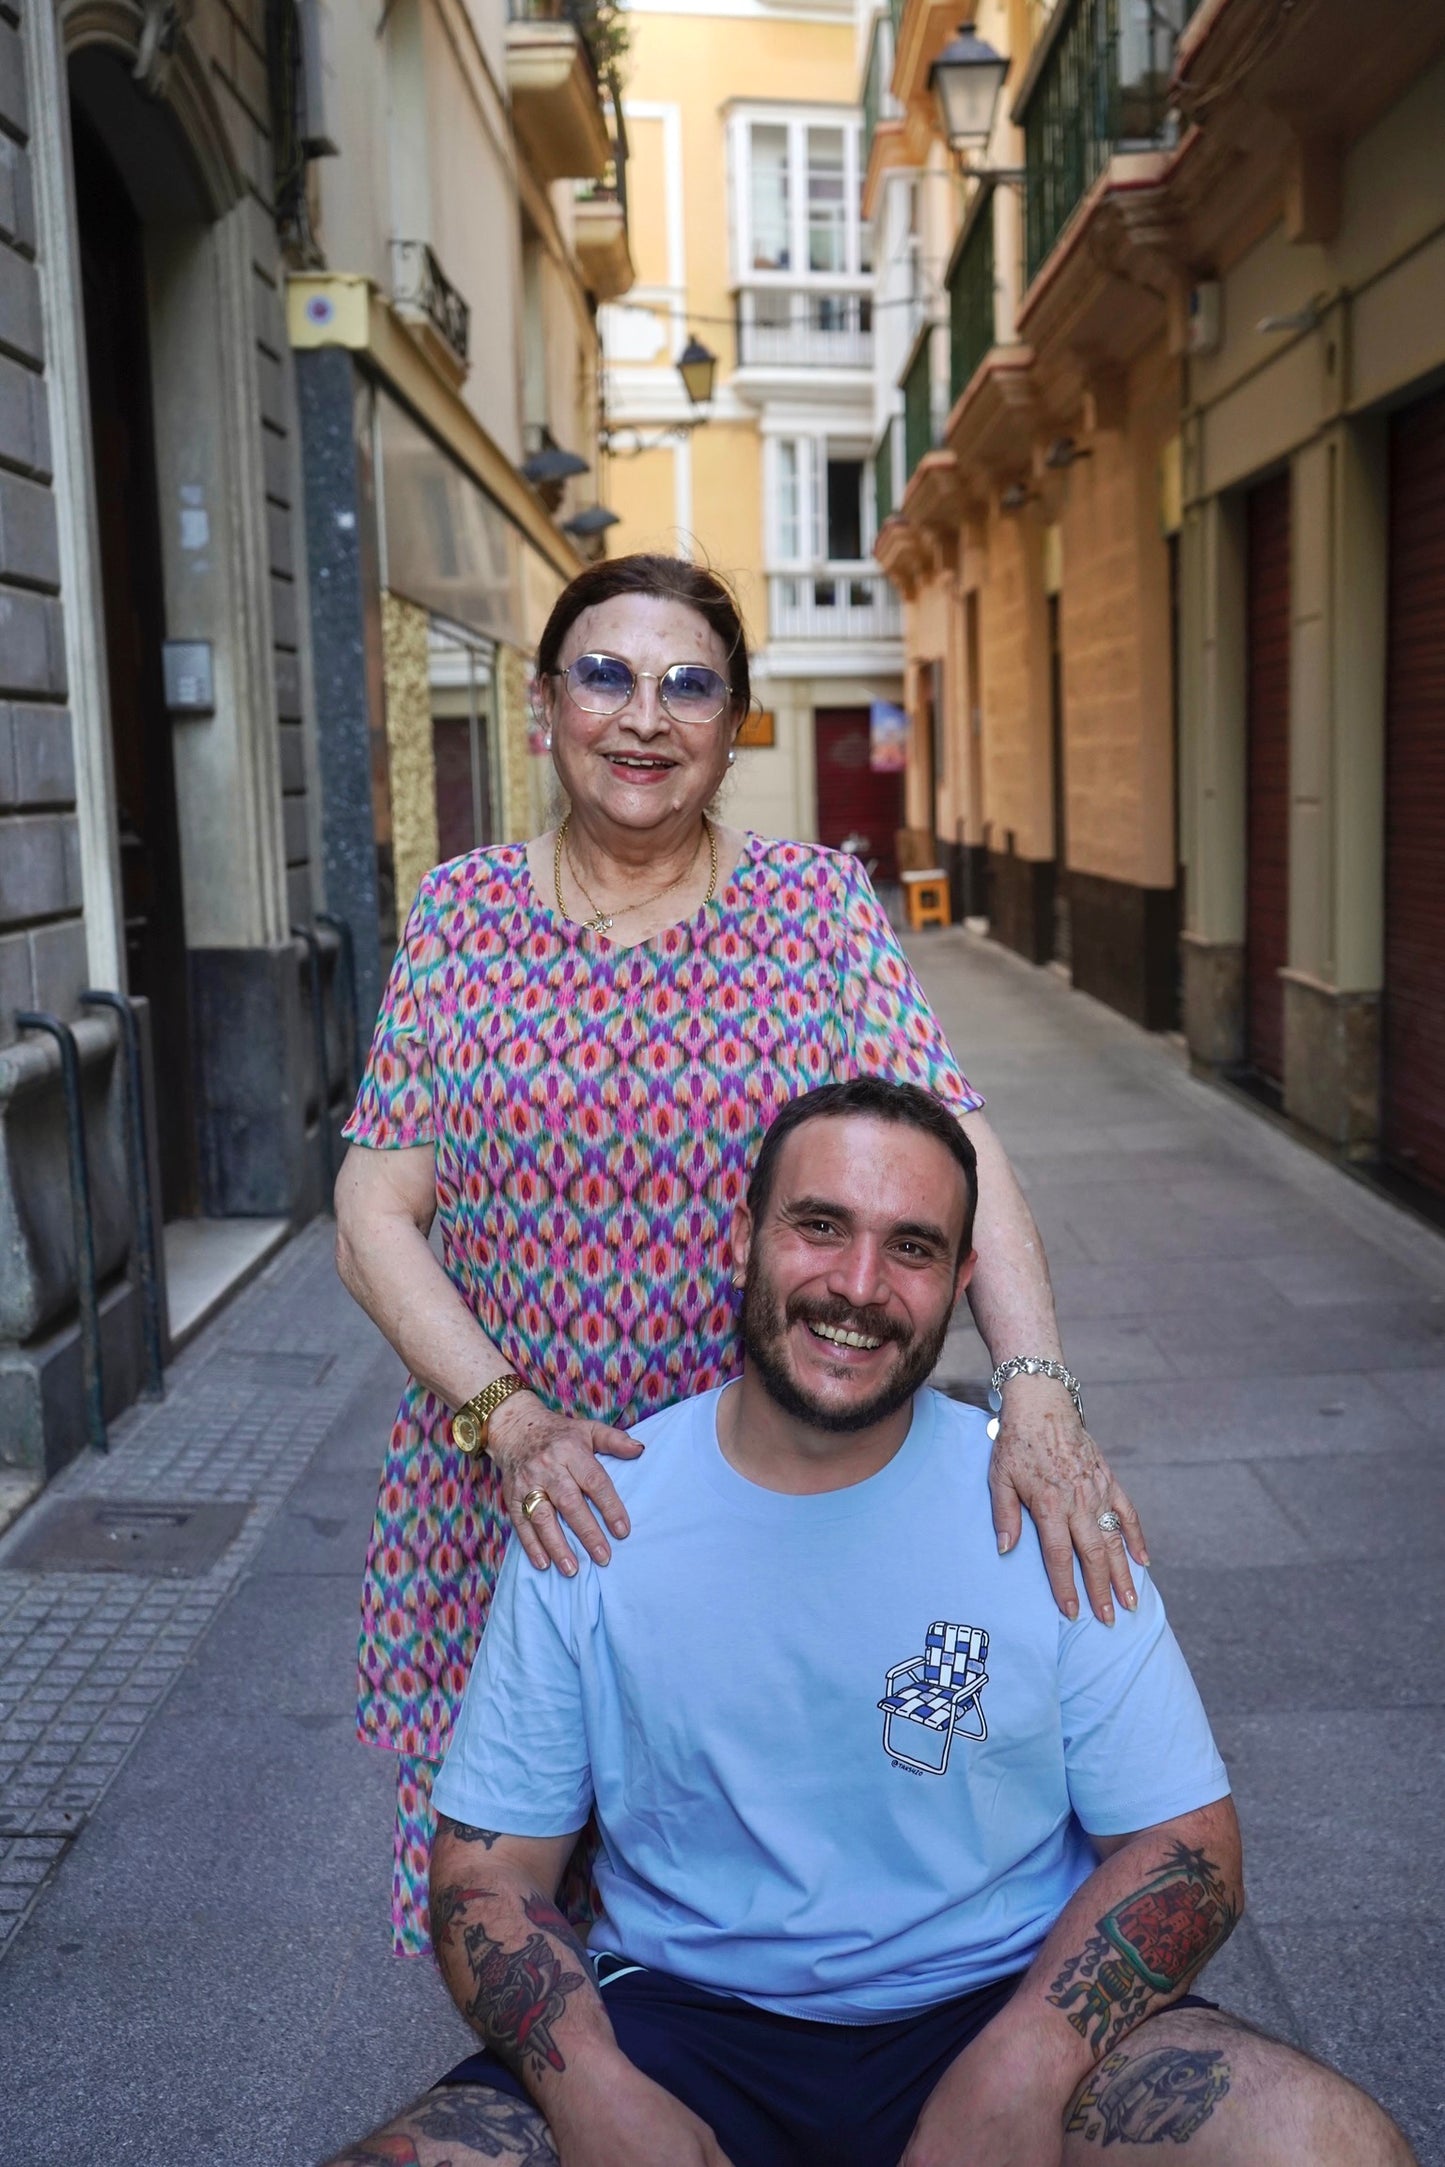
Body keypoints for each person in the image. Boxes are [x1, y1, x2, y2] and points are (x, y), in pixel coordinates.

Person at [325, 1080, 1414, 2167]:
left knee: (1325, 2147)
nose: (857, 1286)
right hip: (673, 2021)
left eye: (911, 1247)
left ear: (960, 1281)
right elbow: (487, 1873)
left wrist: (1024, 2063)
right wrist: (594, 2091)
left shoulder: (1045, 1505)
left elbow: (1189, 1844)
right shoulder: (597, 1511)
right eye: (818, 1226)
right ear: (743, 1238)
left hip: (999, 1999)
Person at [334, 552, 1147, 1956]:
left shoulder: (816, 911)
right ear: (542, 709)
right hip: (522, 1484)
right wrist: (509, 1418)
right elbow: (372, 1207)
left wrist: (1037, 1383)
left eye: (688, 684)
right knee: (513, 1902)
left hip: (766, 1493)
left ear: (732, 724)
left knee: (748, 1876)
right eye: (605, 675)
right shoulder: (462, 916)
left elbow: (959, 1144)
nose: (643, 716)